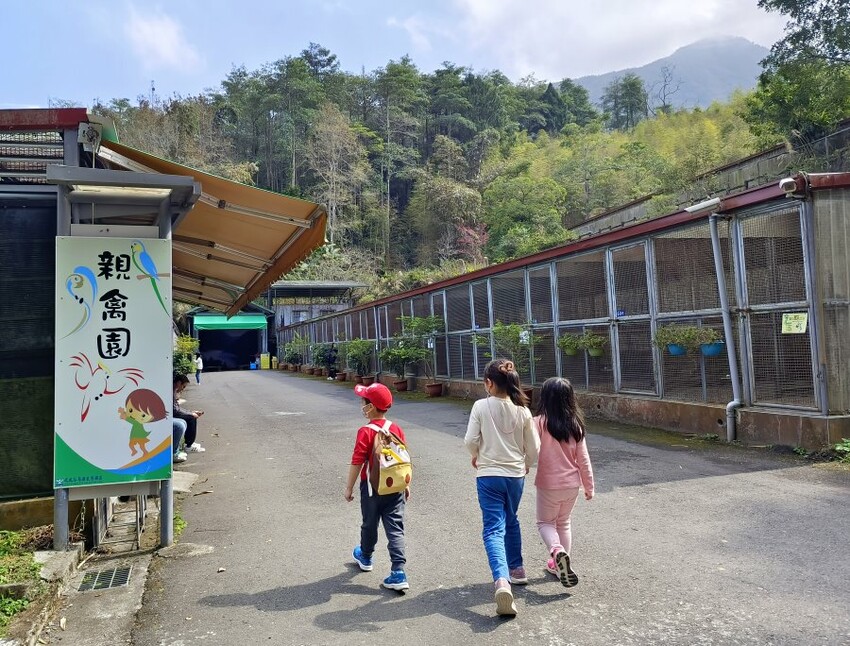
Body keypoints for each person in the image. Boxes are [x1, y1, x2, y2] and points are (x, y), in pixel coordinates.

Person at [464, 359, 539, 617]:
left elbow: (470, 440)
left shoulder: (480, 406)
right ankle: (517, 569)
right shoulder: (523, 411)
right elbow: (535, 449)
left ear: (489, 383)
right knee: (512, 520)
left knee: (493, 529)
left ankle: (502, 581)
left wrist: (476, 455)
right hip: (515, 476)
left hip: (488, 475)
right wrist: (525, 464)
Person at [344, 382, 410, 592]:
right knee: (395, 527)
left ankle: (365, 555)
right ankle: (398, 571)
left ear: (370, 407)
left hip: (372, 488)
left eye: (364, 401)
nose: (362, 405)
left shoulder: (365, 432)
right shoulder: (396, 428)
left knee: (369, 523)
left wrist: (349, 488)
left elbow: (357, 462)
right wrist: (405, 484)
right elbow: (402, 458)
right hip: (395, 487)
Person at [533, 377, 594, 588]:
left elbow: (529, 449)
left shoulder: (539, 423)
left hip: (548, 485)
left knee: (545, 523)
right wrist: (589, 486)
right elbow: (583, 459)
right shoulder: (575, 425)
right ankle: (560, 567)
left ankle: (557, 552)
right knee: (564, 522)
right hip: (572, 485)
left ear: (545, 399)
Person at [118, 388, 167, 457]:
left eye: (143, 415)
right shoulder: (136, 421)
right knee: (131, 445)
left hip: (140, 436)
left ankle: (145, 452)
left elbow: (131, 420)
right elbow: (130, 417)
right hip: (134, 436)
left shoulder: (137, 423)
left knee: (141, 446)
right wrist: (123, 412)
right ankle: (135, 451)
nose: (134, 415)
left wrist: (124, 417)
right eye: (130, 410)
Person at [173, 373, 205, 453]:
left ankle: (189, 443)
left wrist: (191, 412)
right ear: (179, 383)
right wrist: (190, 414)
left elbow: (177, 408)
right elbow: (175, 410)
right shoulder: (171, 391)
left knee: (191, 416)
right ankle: (189, 445)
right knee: (191, 418)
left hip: (172, 413)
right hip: (170, 414)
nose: (183, 389)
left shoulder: (173, 390)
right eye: (183, 386)